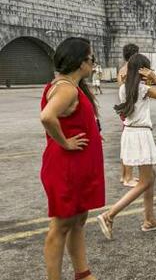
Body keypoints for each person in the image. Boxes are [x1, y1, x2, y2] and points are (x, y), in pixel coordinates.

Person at [39, 37, 104, 280]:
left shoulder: (70, 86)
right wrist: (64, 142)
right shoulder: (66, 88)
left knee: (77, 221)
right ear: (81, 62)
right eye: (92, 60)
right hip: (66, 166)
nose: (93, 64)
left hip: (77, 167)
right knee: (61, 225)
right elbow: (47, 117)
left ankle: (82, 273)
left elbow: (74, 120)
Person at [97, 54, 156, 240]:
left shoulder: (125, 88)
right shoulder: (143, 89)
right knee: (145, 181)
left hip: (130, 133)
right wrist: (155, 78)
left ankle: (149, 219)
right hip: (141, 135)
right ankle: (109, 215)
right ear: (143, 70)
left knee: (150, 177)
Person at [117, 43, 139, 187]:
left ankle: (124, 175)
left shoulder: (121, 69)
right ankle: (127, 177)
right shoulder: (131, 70)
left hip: (124, 107)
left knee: (126, 142)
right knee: (130, 143)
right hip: (131, 108)